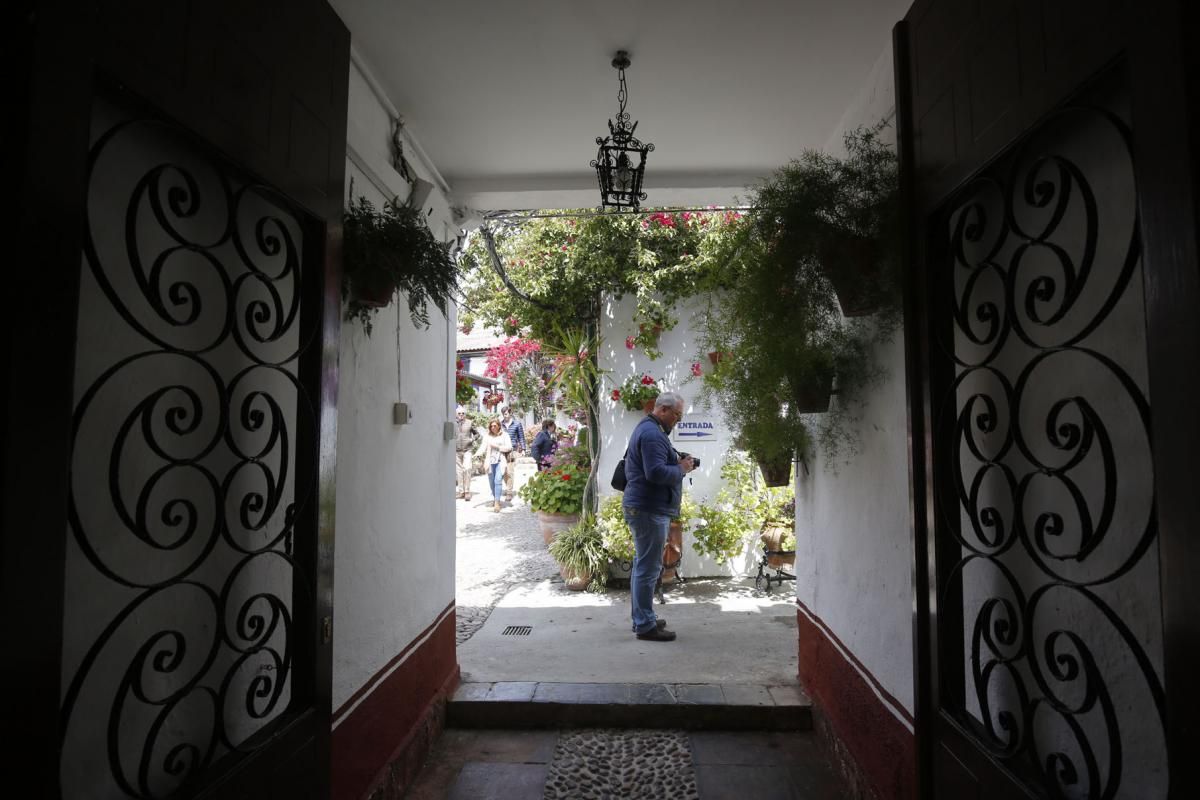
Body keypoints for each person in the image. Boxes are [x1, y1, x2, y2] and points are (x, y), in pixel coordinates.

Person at [621, 391, 696, 642]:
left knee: (644, 565)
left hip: (646, 507)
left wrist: (676, 461)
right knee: (648, 567)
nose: (678, 420)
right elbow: (654, 473)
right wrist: (682, 468)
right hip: (648, 509)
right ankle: (644, 625)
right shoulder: (653, 434)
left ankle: (643, 618)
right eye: (677, 415)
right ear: (662, 409)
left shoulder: (651, 429)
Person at [475, 419, 513, 512]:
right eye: (491, 426)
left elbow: (509, 447)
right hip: (490, 461)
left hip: (501, 460)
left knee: (498, 480)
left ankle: (497, 502)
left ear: (499, 426)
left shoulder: (505, 435)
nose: (493, 428)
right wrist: (476, 454)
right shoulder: (487, 436)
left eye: (495, 426)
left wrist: (497, 447)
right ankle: (495, 497)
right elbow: (483, 447)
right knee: (492, 482)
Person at [499, 406, 526, 501]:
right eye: (503, 414)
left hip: (512, 450)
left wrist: (523, 449)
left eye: (506, 413)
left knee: (510, 471)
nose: (505, 415)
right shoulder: (500, 424)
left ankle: (509, 492)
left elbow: (521, 437)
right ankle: (508, 487)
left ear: (510, 413)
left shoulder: (517, 424)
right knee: (503, 471)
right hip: (501, 450)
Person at [453, 407, 479, 501]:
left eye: (463, 413)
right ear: (456, 414)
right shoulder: (453, 423)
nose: (461, 415)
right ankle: (461, 492)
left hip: (467, 449)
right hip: (456, 450)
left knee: (467, 468)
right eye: (459, 413)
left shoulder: (470, 423)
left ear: (465, 414)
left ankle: (467, 491)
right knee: (459, 472)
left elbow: (477, 434)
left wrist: (472, 439)